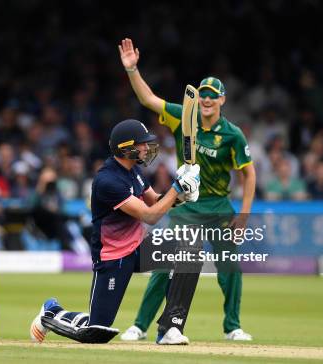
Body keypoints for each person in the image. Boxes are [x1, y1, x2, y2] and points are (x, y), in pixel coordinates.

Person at [118, 38, 257, 344]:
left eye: (212, 96)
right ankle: (140, 326)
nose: (206, 100)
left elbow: (249, 174)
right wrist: (132, 70)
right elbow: (148, 99)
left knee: (230, 270)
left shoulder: (232, 135)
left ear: (222, 100)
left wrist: (244, 215)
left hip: (219, 208)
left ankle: (232, 326)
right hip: (185, 206)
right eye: (203, 95)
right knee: (164, 266)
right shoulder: (185, 115)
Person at [29, 119, 200, 344]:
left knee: (188, 251)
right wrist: (178, 187)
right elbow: (150, 215)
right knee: (97, 331)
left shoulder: (134, 171)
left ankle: (170, 328)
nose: (147, 148)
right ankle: (51, 313)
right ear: (125, 147)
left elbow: (156, 201)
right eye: (142, 144)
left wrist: (182, 195)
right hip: (113, 256)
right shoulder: (108, 181)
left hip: (137, 247)